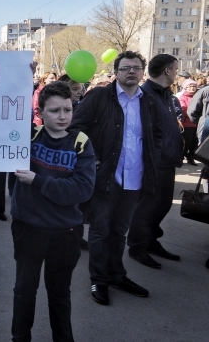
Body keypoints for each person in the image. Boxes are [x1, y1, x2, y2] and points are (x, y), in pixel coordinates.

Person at [70, 50, 161, 306]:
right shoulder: (99, 96)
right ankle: (99, 279)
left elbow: (156, 133)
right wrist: (94, 159)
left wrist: (155, 156)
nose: (131, 71)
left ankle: (117, 275)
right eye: (125, 68)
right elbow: (76, 126)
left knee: (119, 232)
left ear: (142, 72)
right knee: (100, 231)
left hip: (136, 178)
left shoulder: (148, 100)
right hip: (107, 177)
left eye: (136, 67)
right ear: (116, 72)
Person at [10, 81, 96, 342]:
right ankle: (20, 337)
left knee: (59, 294)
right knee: (24, 290)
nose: (62, 117)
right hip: (28, 229)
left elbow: (81, 190)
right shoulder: (28, 138)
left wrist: (38, 180)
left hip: (65, 233)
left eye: (67, 110)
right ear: (40, 112)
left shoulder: (80, 143)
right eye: (55, 111)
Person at [127, 54, 183, 269]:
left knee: (163, 203)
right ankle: (137, 246)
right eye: (175, 69)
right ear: (167, 71)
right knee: (147, 206)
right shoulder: (146, 93)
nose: (176, 74)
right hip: (154, 160)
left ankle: (150, 240)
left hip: (167, 159)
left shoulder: (165, 94)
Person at [180, 79, 199, 165]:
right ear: (186, 88)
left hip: (197, 123)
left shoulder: (198, 96)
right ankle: (181, 156)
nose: (192, 88)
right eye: (190, 86)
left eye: (194, 86)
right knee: (186, 142)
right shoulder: (182, 97)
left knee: (195, 142)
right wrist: (195, 115)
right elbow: (183, 110)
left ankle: (191, 157)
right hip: (187, 123)